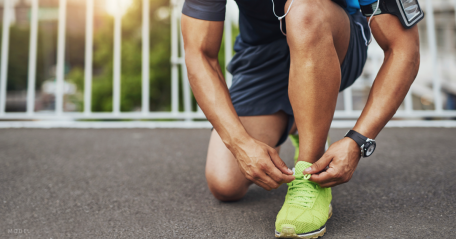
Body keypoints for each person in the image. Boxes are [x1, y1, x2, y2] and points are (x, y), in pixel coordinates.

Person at [181, 0, 420, 237]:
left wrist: (358, 140)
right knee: (225, 182)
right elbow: (199, 53)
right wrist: (239, 143)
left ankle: (310, 174)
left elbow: (403, 48)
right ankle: (301, 122)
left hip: (333, 36)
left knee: (304, 10)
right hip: (263, 56)